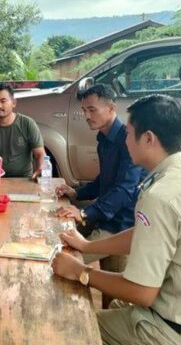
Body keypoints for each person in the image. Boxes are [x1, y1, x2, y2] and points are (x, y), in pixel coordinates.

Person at [52, 94, 181, 345]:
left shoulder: (160, 197)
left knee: (71, 327)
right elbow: (144, 233)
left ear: (149, 138)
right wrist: (87, 246)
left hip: (177, 332)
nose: (125, 140)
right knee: (114, 307)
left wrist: (80, 271)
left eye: (129, 133)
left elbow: (141, 292)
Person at [55, 84, 146, 271]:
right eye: (84, 110)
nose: (87, 116)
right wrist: (76, 193)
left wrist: (84, 213)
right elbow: (104, 179)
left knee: (64, 261)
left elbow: (124, 190)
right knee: (57, 230)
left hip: (121, 224)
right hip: (105, 215)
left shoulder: (127, 140)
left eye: (92, 110)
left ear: (111, 108)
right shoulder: (103, 139)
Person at [0, 83, 46, 178]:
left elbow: (40, 154)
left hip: (24, 179)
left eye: (3, 101)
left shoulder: (27, 124)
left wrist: (41, 168)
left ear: (14, 103)